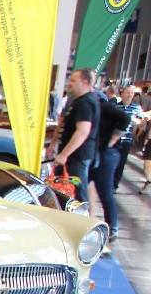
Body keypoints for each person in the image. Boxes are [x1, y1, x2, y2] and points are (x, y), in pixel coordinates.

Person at [52, 69, 100, 203]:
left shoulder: (85, 102)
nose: (70, 83)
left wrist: (64, 154)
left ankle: (82, 215)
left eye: (73, 80)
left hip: (77, 157)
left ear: (84, 82)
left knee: (77, 193)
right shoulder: (79, 101)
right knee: (65, 191)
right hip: (74, 156)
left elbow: (82, 131)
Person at [89, 96, 130, 236]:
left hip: (106, 153)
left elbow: (125, 118)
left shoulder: (102, 107)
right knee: (89, 187)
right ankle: (95, 220)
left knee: (104, 190)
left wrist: (113, 139)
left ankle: (112, 226)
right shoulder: (92, 106)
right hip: (98, 152)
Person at [114, 84, 144, 191]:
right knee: (112, 162)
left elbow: (141, 123)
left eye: (132, 93)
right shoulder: (115, 107)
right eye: (127, 92)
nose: (130, 95)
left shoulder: (136, 108)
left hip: (127, 140)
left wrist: (138, 125)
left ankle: (115, 184)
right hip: (115, 139)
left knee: (121, 163)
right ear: (122, 94)